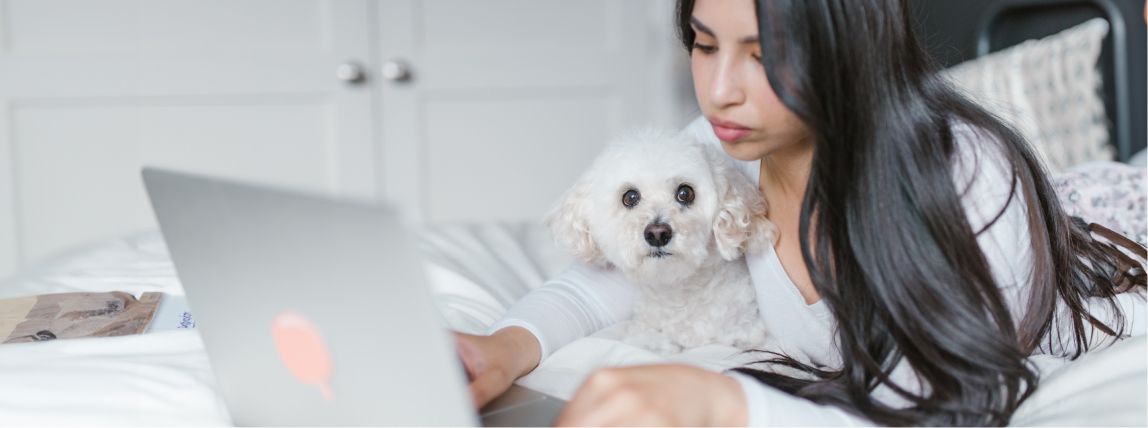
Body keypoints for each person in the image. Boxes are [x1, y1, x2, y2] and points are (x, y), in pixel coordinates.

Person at [454, 0, 1147, 425]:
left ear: (849, 48)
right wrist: (504, 347)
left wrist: (724, 408)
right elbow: (610, 273)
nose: (720, 91)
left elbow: (944, 414)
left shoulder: (965, 172)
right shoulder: (722, 148)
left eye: (765, 55)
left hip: (1103, 237)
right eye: (703, 44)